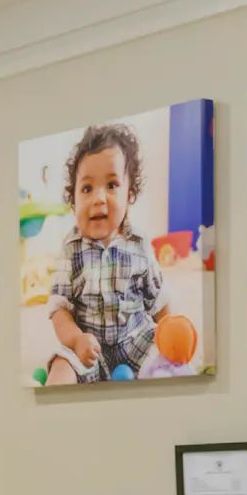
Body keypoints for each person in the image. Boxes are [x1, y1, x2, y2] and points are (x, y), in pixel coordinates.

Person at [45, 123, 160, 384]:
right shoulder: (71, 248)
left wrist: (172, 334)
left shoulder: (140, 243)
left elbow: (159, 302)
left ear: (129, 195)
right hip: (88, 348)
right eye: (87, 189)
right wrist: (77, 340)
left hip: (136, 341)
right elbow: (59, 311)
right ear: (73, 201)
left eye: (111, 185)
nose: (98, 198)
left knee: (165, 355)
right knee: (61, 365)